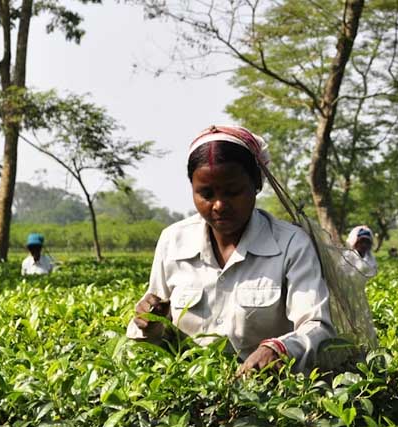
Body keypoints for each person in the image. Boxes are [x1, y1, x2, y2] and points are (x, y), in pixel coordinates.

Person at [126, 125, 335, 374]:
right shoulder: (173, 241)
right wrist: (150, 324)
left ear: (256, 184)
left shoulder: (291, 244)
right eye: (206, 193)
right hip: (191, 395)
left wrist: (280, 348)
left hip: (271, 399)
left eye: (233, 192)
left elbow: (318, 326)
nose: (219, 205)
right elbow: (157, 334)